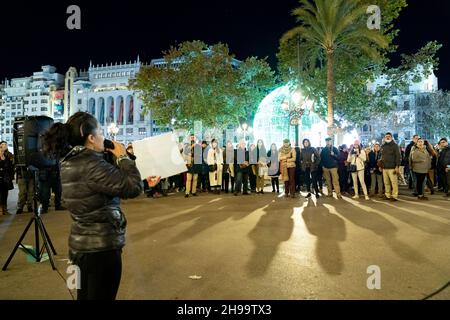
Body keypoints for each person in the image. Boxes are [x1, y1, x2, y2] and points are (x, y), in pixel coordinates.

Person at [42, 112, 142, 300]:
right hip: (101, 250)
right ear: (91, 137)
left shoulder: (68, 161)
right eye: (101, 132)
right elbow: (133, 187)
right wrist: (123, 157)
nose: (104, 137)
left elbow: (106, 184)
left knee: (83, 297)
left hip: (78, 248)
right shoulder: (92, 164)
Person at [380, 132, 401, 201]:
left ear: (391, 137)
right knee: (386, 183)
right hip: (384, 167)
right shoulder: (383, 146)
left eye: (389, 136)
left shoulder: (395, 146)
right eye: (386, 136)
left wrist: (397, 166)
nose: (387, 137)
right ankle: (387, 195)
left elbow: (398, 157)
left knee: (394, 183)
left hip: (392, 167)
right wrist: (380, 166)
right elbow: (381, 157)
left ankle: (394, 196)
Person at [0, 142, 14, 215]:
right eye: (2, 145)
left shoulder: (7, 156)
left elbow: (10, 167)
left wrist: (11, 176)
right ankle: (0, 210)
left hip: (5, 178)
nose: (4, 147)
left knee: (5, 194)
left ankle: (5, 210)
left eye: (5, 145)